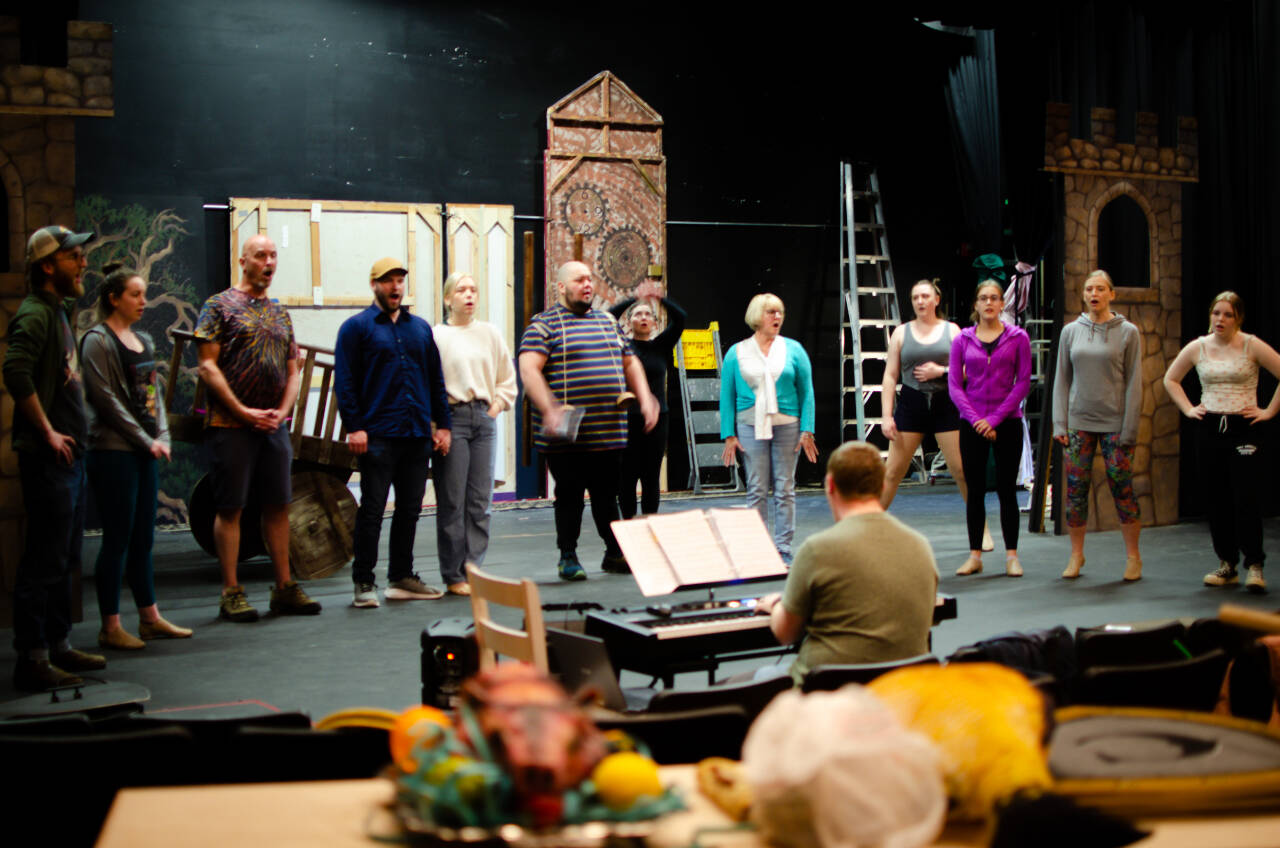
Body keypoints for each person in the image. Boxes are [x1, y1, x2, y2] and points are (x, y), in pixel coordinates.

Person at [194, 234, 321, 621]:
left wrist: (281, 412)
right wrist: (245, 412)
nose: (269, 262)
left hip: (273, 427)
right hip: (230, 424)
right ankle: (231, 592)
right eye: (261, 255)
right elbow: (207, 366)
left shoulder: (280, 313)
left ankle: (284, 587)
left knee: (279, 505)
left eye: (273, 256)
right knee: (230, 506)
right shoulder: (218, 306)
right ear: (243, 260)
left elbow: (292, 368)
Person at [4, 225, 107, 691]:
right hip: (48, 459)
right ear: (48, 266)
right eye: (74, 256)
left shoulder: (58, 310)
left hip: (70, 459)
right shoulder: (35, 314)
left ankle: (59, 644)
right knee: (43, 560)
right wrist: (47, 432)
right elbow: (15, 371)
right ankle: (32, 658)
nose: (83, 262)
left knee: (65, 557)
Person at [518, 260, 659, 581]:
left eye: (589, 280)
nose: (587, 285)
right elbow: (528, 370)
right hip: (567, 431)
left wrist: (646, 396)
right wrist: (550, 408)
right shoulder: (543, 325)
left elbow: (630, 362)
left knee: (606, 495)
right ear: (561, 287)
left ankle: (613, 553)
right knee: (568, 495)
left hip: (609, 429)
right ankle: (568, 555)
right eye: (579, 280)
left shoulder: (607, 322)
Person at [756, 441, 939, 685]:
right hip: (900, 694)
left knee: (761, 677)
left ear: (830, 485)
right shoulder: (920, 546)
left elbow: (786, 632)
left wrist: (776, 604)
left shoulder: (818, 549)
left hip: (826, 693)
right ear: (882, 485)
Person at [82, 264, 193, 649]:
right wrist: (145, 442)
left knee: (144, 538)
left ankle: (150, 618)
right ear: (114, 298)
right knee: (117, 538)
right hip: (113, 452)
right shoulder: (97, 340)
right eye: (135, 295)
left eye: (145, 294)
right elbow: (106, 401)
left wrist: (161, 433)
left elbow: (153, 395)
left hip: (145, 450)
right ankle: (110, 626)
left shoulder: (143, 338)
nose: (144, 301)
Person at [334, 258, 452, 608]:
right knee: (372, 510)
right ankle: (363, 581)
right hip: (379, 435)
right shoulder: (356, 328)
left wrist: (442, 425)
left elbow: (435, 380)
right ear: (374, 285)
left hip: (416, 434)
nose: (395, 287)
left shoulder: (420, 329)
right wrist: (354, 427)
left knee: (410, 510)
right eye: (388, 281)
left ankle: (401, 576)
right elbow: (346, 382)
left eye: (400, 280)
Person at [1163, 291, 1280, 594]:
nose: (1221, 319)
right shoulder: (1198, 347)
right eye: (1216, 313)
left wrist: (1268, 411)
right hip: (1210, 425)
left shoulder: (1251, 345)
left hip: (1244, 427)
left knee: (1246, 496)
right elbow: (1170, 379)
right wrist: (1190, 409)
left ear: (1238, 318)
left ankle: (1254, 565)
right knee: (1216, 498)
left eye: (1228, 314)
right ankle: (1227, 563)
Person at [880, 279, 991, 550]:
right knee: (892, 472)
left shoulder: (952, 331)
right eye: (916, 297)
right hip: (912, 403)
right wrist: (886, 415)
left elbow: (969, 370)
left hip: (946, 403)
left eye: (925, 296)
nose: (920, 301)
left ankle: (982, 530)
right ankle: (864, 528)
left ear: (936, 300)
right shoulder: (901, 333)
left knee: (962, 471)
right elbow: (890, 375)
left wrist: (940, 372)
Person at [1052, 270, 1144, 582]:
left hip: (1115, 423)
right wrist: (1059, 422)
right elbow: (1062, 379)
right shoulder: (1070, 332)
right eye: (1089, 289)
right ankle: (1076, 554)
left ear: (1111, 294)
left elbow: (1134, 382)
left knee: (1122, 487)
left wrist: (1130, 428)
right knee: (1075, 491)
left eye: (1101, 289)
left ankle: (1133, 557)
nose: (1094, 294)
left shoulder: (1128, 332)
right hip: (1079, 423)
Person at [431, 271, 516, 597]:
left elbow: (506, 379)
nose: (469, 295)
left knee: (480, 501)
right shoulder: (437, 336)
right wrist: (438, 426)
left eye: (474, 289)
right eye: (462, 290)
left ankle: (473, 568)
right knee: (452, 500)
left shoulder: (490, 334)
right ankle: (453, 574)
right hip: (452, 419)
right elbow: (431, 384)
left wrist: (494, 409)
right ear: (448, 298)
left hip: (484, 418)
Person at [720, 293, 818, 563]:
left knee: (785, 487)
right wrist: (729, 435)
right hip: (750, 426)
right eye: (771, 312)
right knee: (756, 488)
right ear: (756, 317)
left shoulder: (794, 350)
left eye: (780, 312)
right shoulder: (736, 352)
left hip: (788, 426)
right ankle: (758, 548)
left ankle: (783, 548)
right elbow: (726, 396)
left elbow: (806, 392)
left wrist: (807, 429)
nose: (777, 317)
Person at [948, 279, 1031, 577]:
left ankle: (1012, 556)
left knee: (1008, 490)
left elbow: (1022, 383)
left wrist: (994, 419)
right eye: (983, 298)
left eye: (994, 298)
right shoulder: (962, 339)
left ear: (1001, 304)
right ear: (976, 304)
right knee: (975, 491)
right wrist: (977, 421)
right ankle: (975, 555)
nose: (989, 303)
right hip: (972, 424)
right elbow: (955, 386)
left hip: (1006, 422)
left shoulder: (1018, 337)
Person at [608, 279, 686, 518]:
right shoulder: (621, 343)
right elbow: (610, 316)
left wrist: (658, 298)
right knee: (627, 476)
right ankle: (629, 526)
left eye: (647, 314)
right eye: (637, 314)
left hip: (658, 419)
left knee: (651, 475)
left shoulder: (661, 345)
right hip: (627, 418)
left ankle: (650, 524)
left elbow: (680, 318)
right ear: (630, 322)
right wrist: (635, 298)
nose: (643, 317)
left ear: (654, 322)